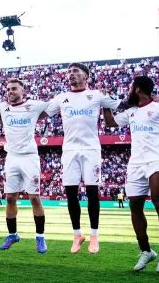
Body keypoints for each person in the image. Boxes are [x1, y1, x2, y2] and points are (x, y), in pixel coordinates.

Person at [103, 76, 159, 274]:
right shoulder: (132, 111)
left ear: (137, 89)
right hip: (136, 163)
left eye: (130, 87)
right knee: (135, 206)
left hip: (158, 160)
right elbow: (110, 123)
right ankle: (146, 250)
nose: (128, 90)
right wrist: (105, 102)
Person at [46, 63, 120, 254]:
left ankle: (94, 236)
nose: (71, 75)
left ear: (86, 76)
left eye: (75, 72)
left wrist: (152, 100)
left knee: (92, 192)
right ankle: (77, 234)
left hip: (91, 149)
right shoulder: (61, 98)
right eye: (69, 72)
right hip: (69, 150)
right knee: (70, 193)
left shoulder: (97, 95)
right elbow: (42, 112)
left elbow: (121, 103)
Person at [0, 79, 49, 252]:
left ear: (23, 91)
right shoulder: (2, 107)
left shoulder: (34, 106)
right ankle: (12, 235)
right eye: (8, 89)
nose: (10, 91)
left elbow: (53, 108)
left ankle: (40, 237)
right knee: (10, 197)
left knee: (34, 197)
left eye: (14, 88)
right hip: (12, 157)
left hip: (30, 157)